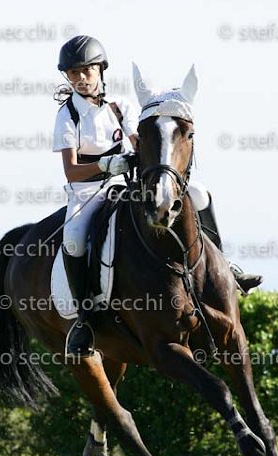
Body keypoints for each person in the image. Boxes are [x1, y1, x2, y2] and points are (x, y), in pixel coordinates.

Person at [53, 35, 262, 359]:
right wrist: (106, 165)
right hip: (88, 192)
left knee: (200, 195)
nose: (81, 78)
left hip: (126, 185)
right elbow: (71, 170)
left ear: (100, 70)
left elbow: (142, 143)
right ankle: (84, 320)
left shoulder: (119, 107)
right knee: (73, 238)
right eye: (73, 73)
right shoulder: (68, 115)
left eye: (87, 70)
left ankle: (225, 266)